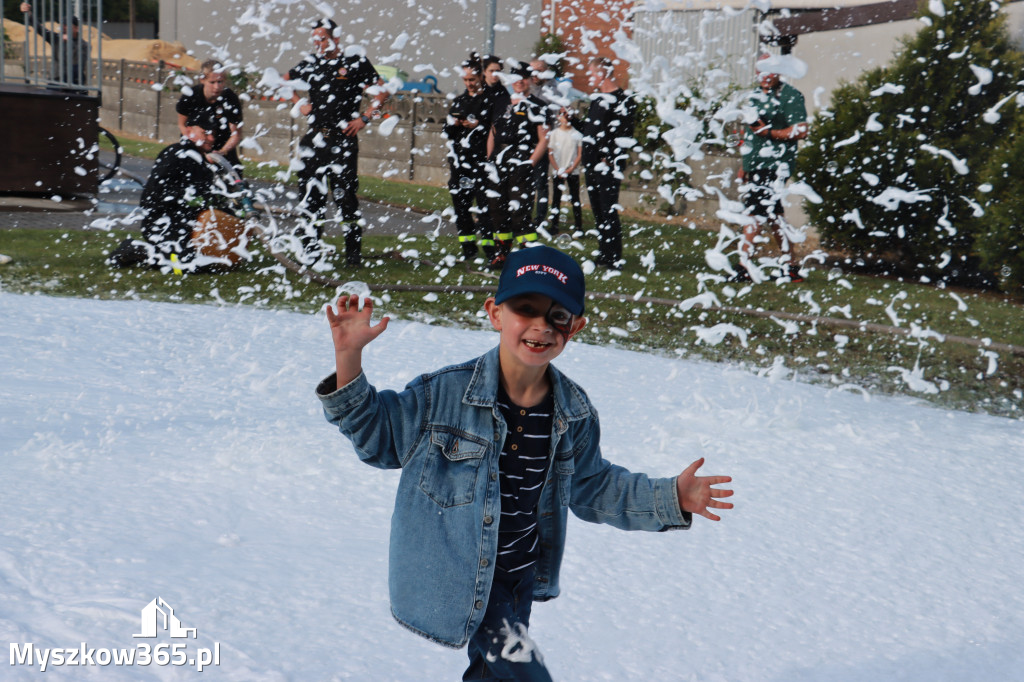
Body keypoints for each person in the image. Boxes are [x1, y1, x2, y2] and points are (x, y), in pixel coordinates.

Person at [316, 244, 734, 680]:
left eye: (557, 315)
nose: (540, 325)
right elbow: (377, 437)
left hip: (519, 580)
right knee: (524, 675)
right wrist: (349, 357)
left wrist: (671, 497)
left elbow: (593, 486)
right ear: (495, 313)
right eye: (526, 308)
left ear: (575, 327)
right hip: (461, 574)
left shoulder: (573, 413)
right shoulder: (441, 396)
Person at [283, 18, 388, 267]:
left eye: (322, 38)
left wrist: (365, 118)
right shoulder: (311, 62)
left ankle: (353, 254)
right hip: (315, 137)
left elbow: (383, 93)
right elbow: (283, 81)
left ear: (336, 38)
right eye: (315, 39)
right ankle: (311, 251)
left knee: (345, 196)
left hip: (343, 139)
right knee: (311, 197)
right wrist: (300, 103)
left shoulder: (354, 61)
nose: (318, 43)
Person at [736, 53, 809, 283]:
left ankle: (744, 265)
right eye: (762, 70)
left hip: (775, 165)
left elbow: (801, 130)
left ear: (779, 70)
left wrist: (768, 133)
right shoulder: (755, 96)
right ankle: (790, 266)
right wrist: (744, 164)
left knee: (753, 214)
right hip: (756, 164)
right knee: (775, 217)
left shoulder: (790, 96)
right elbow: (751, 133)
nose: (766, 75)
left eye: (771, 69)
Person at [107, 128, 218, 269]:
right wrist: (189, 198)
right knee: (185, 266)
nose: (212, 138)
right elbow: (154, 194)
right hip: (163, 224)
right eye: (205, 133)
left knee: (211, 262)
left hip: (187, 224)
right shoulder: (175, 154)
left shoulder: (203, 160)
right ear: (189, 131)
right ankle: (134, 249)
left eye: (212, 134)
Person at [485, 61, 549, 268]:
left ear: (530, 80)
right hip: (499, 160)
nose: (519, 82)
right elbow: (492, 133)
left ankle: (527, 258)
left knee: (520, 211)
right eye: (515, 78)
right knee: (497, 209)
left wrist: (530, 163)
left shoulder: (538, 106)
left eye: (524, 77)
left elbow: (543, 139)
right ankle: (502, 255)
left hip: (521, 158)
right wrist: (489, 160)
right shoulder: (502, 102)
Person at [577, 56, 636, 271]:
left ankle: (614, 257)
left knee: (608, 209)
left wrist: (609, 156)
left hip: (608, 165)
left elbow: (624, 133)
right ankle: (604, 253)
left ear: (602, 73)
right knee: (598, 210)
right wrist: (573, 120)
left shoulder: (623, 100)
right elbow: (590, 130)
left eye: (592, 73)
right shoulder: (598, 99)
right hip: (592, 163)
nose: (590, 77)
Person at [443, 54, 496, 262]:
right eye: (465, 80)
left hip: (482, 161)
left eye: (472, 80)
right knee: (461, 206)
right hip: (459, 161)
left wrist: (478, 126)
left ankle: (490, 251)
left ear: (481, 77)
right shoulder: (459, 101)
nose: (468, 84)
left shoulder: (489, 101)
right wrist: (454, 125)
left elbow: (496, 129)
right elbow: (447, 132)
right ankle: (468, 250)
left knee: (485, 207)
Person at [176, 59, 244, 173]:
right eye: (212, 82)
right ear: (202, 80)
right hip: (196, 143)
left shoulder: (230, 99)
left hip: (222, 144)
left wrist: (222, 151)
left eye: (220, 82)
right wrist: (197, 146)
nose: (217, 87)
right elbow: (182, 125)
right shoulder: (190, 96)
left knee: (234, 175)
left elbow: (236, 134)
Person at [20, 1, 90, 86]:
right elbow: (39, 28)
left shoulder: (84, 45)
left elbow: (76, 63)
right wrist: (28, 13)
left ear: (76, 28)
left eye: (67, 25)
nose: (64, 28)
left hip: (73, 83)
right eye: (63, 25)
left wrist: (70, 42)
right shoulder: (57, 38)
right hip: (55, 80)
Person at [546, 107, 584, 236]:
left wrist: (570, 169)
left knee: (575, 199)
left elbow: (579, 154)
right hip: (558, 171)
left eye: (569, 114)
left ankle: (578, 228)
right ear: (558, 117)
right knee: (556, 199)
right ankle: (554, 226)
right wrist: (558, 169)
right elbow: (550, 153)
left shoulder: (577, 134)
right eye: (563, 114)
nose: (566, 116)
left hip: (572, 172)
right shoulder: (554, 134)